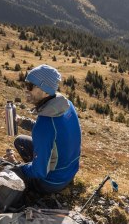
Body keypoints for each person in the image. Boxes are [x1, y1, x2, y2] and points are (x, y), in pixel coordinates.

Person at [12, 64, 81, 194]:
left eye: (30, 86)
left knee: (13, 172)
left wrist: (17, 168)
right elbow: (54, 132)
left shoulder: (45, 124)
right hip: (70, 171)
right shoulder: (66, 105)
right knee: (20, 141)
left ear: (44, 90)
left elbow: (40, 172)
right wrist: (23, 122)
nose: (26, 90)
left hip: (52, 182)